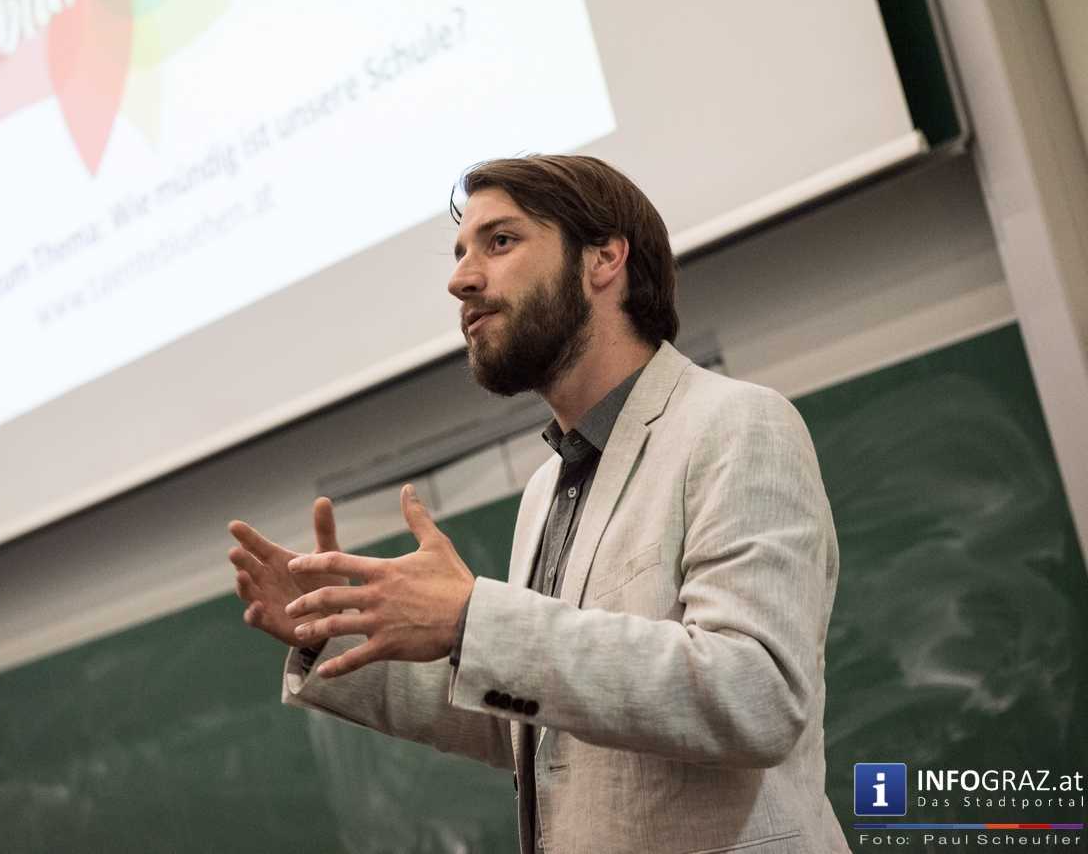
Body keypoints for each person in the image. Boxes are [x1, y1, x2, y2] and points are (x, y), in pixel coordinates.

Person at [228, 154, 850, 853]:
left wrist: (472, 619)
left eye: (500, 241)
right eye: (461, 254)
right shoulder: (544, 492)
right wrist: (330, 631)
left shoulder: (736, 424)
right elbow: (537, 728)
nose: (460, 280)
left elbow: (756, 694)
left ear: (604, 259)